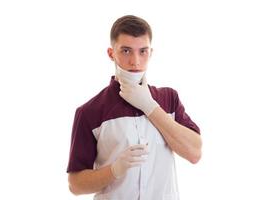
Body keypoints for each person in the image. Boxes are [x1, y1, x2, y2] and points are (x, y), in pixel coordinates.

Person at [67, 15, 202, 200]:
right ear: (111, 53)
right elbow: (75, 185)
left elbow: (194, 153)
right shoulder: (90, 111)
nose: (136, 61)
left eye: (143, 51)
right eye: (126, 51)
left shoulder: (169, 98)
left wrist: (150, 107)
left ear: (151, 53)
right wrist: (114, 170)